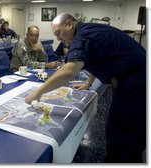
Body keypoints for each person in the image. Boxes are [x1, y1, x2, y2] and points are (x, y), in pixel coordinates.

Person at [25, 13, 146, 163]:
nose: (58, 39)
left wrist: (38, 92)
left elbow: (69, 71)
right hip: (141, 78)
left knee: (118, 133)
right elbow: (97, 58)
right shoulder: (90, 31)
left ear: (69, 24)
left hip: (135, 84)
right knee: (138, 133)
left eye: (59, 33)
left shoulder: (81, 37)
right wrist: (88, 83)